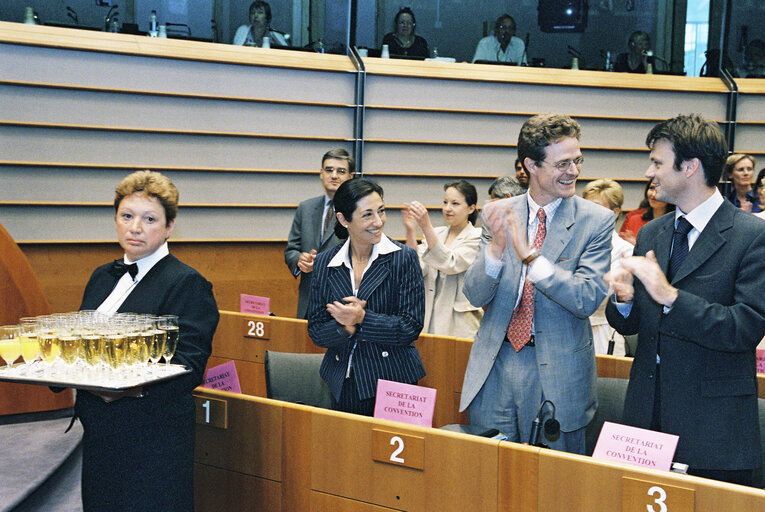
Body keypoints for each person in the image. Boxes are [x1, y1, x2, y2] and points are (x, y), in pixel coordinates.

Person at [605, 114, 765, 486]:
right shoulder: (652, 233)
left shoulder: (751, 236)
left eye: (658, 163)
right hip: (645, 423)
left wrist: (671, 297)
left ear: (690, 167)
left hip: (714, 433)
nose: (650, 172)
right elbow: (633, 325)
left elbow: (743, 329)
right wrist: (625, 300)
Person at [460, 114, 613, 453]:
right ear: (531, 164)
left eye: (577, 161)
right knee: (489, 477)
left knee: (554, 487)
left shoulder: (596, 221)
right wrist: (497, 250)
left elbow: (586, 298)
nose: (573, 171)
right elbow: (474, 293)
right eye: (562, 163)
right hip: (496, 364)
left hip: (558, 372)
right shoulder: (501, 212)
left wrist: (531, 257)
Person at [76, 170, 219, 510]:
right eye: (127, 216)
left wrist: (130, 390)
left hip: (153, 439)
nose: (135, 227)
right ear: (115, 220)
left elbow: (189, 365)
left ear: (170, 226)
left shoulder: (187, 283)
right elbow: (80, 344)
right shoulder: (101, 276)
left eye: (149, 219)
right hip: (100, 434)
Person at [307, 179, 425, 416]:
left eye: (381, 211)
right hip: (341, 382)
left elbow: (410, 326)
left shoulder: (404, 258)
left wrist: (362, 319)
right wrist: (345, 329)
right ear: (343, 220)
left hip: (393, 382)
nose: (378, 222)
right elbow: (316, 329)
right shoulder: (325, 262)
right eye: (367, 215)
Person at [403, 180, 484, 339]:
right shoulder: (437, 233)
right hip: (428, 316)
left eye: (455, 203)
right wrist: (411, 232)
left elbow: (451, 263)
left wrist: (426, 226)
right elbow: (416, 268)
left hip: (459, 322)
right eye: (445, 202)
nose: (447, 208)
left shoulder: (478, 236)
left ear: (471, 208)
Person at [285, 149, 355, 319]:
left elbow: (363, 254)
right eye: (329, 170)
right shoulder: (306, 208)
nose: (334, 175)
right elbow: (291, 250)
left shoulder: (358, 210)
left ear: (350, 177)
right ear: (321, 174)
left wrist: (322, 263)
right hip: (308, 302)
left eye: (341, 171)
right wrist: (300, 260)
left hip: (343, 303)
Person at [582, 179, 634, 356]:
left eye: (595, 207)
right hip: (569, 331)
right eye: (584, 207)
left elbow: (601, 296)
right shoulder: (572, 245)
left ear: (615, 212)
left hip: (605, 331)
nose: (588, 214)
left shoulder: (625, 251)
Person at [618, 181, 674, 245]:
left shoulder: (677, 224)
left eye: (660, 190)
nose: (653, 194)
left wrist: (637, 246)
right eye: (651, 188)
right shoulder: (634, 220)